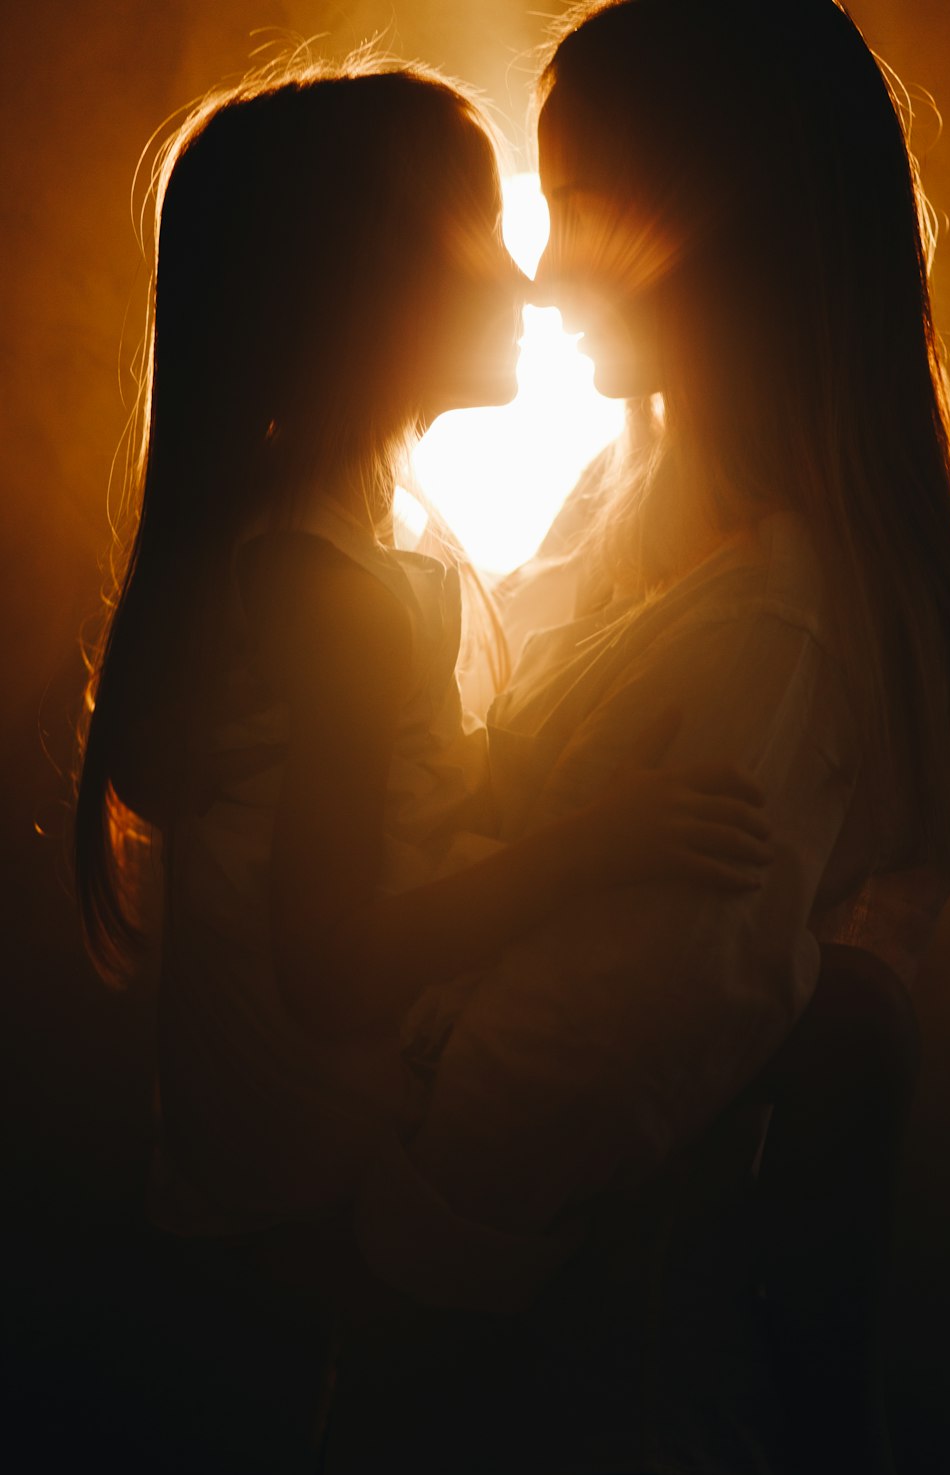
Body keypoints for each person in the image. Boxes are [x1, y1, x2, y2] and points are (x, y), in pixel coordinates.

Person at [339, 2, 950, 1475]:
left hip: (577, 1390)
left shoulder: (786, 623)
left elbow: (612, 1029)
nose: (545, 265)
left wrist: (391, 1244)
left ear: (737, 224)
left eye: (579, 205)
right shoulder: (638, 496)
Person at [73, 58, 772, 1237]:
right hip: (319, 1194)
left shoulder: (347, 538)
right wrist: (592, 843)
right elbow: (333, 965)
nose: (526, 284)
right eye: (485, 236)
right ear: (365, 288)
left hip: (271, 1183)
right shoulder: (327, 591)